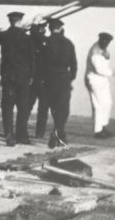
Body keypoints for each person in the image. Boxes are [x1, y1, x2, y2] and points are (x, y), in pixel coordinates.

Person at [0, 11, 34, 146]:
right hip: (23, 77)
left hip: (8, 77)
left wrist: (0, 31)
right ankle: (22, 135)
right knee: (23, 107)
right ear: (20, 21)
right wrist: (31, 75)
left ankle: (9, 136)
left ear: (10, 21)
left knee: (7, 107)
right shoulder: (27, 38)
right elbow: (32, 58)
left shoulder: (4, 36)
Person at [43, 18, 77, 148]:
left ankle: (58, 133)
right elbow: (74, 65)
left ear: (49, 28)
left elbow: (41, 62)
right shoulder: (68, 43)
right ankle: (59, 132)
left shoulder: (46, 42)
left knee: (54, 107)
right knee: (63, 107)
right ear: (61, 28)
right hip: (63, 78)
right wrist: (70, 78)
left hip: (49, 78)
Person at [85, 32, 115, 139]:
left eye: (107, 42)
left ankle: (103, 126)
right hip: (94, 79)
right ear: (100, 40)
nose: (106, 43)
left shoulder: (104, 49)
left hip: (102, 80)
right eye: (104, 41)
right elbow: (98, 69)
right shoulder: (95, 51)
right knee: (99, 105)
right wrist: (111, 73)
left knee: (107, 103)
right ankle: (98, 130)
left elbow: (106, 60)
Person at [28, 16, 49, 138]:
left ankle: (23, 130)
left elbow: (34, 35)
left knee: (29, 105)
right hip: (43, 79)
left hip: (35, 78)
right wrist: (35, 25)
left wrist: (34, 24)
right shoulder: (45, 40)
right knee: (42, 108)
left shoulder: (31, 40)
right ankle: (39, 133)